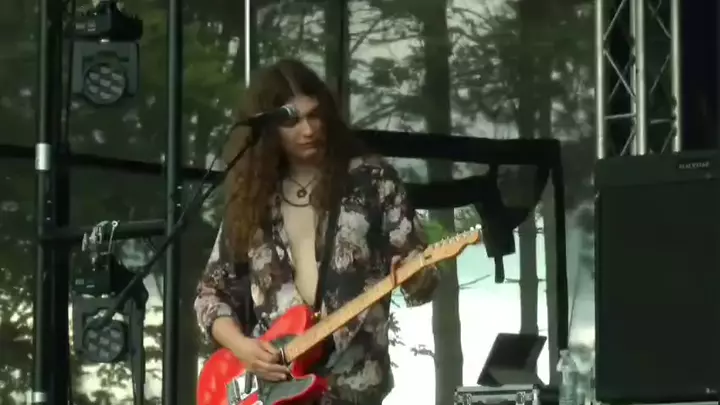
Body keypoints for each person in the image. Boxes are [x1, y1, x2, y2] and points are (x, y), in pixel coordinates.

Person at [194, 58, 438, 405]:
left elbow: (422, 277)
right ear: (268, 129)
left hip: (354, 388)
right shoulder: (253, 197)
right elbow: (210, 295)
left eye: (315, 115)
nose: (308, 129)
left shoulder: (370, 180)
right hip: (274, 391)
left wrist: (416, 276)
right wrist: (243, 348)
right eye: (292, 121)